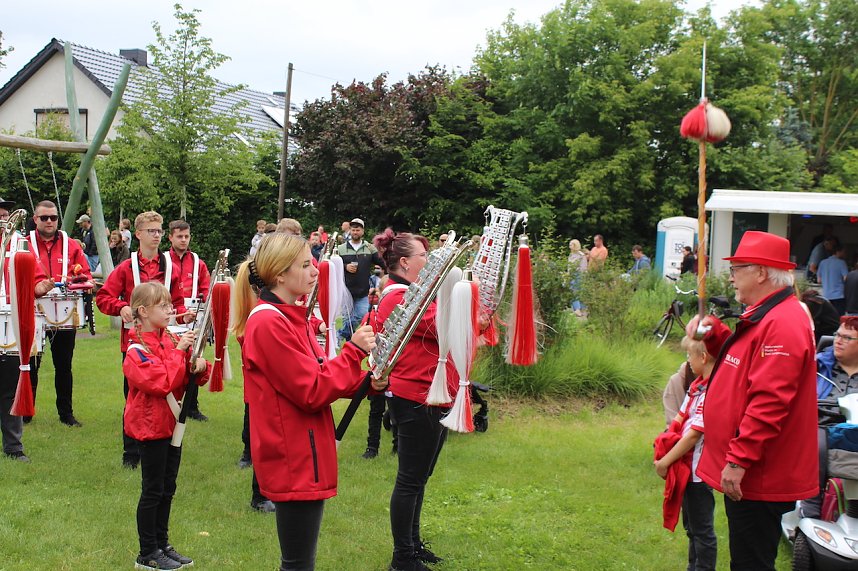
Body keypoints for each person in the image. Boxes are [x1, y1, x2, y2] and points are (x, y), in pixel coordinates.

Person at [233, 232, 381, 571]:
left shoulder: (286, 316)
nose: (315, 271)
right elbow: (312, 390)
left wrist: (367, 382)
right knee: (298, 565)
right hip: (294, 456)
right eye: (305, 265)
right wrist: (354, 351)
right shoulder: (269, 322)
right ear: (280, 274)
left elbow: (319, 372)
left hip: (304, 450)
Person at [688, 230, 818, 570]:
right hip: (752, 470)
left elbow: (770, 400)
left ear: (761, 272)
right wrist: (714, 334)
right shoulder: (766, 315)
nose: (731, 277)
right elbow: (740, 364)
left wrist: (739, 460)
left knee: (751, 563)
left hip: (759, 473)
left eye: (737, 268)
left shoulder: (784, 322)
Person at [374, 228, 488, 571]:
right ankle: (402, 558)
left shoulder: (417, 293)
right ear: (406, 262)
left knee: (420, 476)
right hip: (415, 396)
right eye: (427, 256)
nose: (433, 261)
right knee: (410, 479)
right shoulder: (398, 295)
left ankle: (413, 544)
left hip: (432, 394)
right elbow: (444, 327)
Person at [124, 282, 209, 571]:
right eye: (163, 306)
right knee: (153, 490)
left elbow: (186, 376)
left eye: (169, 304)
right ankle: (147, 552)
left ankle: (162, 544)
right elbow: (161, 383)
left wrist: (198, 365)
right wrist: (179, 354)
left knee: (167, 488)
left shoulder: (169, 340)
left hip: (172, 426)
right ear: (143, 311)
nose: (170, 310)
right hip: (151, 428)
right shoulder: (135, 350)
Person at [96, 211, 190, 469]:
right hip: (135, 344)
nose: (157, 235)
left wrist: (182, 317)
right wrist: (121, 307)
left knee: (168, 391)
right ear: (137, 234)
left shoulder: (170, 266)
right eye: (151, 231)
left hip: (165, 341)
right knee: (134, 398)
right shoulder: (126, 267)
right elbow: (103, 297)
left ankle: (167, 443)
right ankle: (131, 451)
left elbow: (177, 304)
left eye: (159, 231)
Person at [654, 333, 725, 571]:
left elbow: (694, 435)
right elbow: (679, 419)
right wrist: (666, 441)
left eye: (689, 356)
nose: (687, 361)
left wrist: (665, 461)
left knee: (702, 530)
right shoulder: (697, 386)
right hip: (686, 470)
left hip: (698, 473)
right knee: (692, 526)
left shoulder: (711, 392)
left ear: (703, 357)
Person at [28, 200, 92, 427]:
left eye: (53, 218)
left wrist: (79, 281)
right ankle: (27, 412)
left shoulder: (71, 244)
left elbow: (85, 274)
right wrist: (34, 288)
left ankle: (66, 413)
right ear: (35, 219)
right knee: (30, 364)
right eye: (44, 218)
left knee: (64, 365)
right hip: (33, 311)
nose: (49, 222)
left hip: (64, 312)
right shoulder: (24, 244)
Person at [0, 197, 53, 461]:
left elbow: (36, 278)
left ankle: (13, 447)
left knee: (10, 387)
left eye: (5, 215)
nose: (3, 219)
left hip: (9, 327)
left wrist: (40, 287)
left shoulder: (18, 247)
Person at [800, 316, 858, 519]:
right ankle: (811, 508)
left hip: (854, 429)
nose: (838, 341)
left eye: (847, 338)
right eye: (837, 335)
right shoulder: (818, 367)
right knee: (817, 443)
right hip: (824, 426)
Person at [167, 220, 211, 422]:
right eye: (179, 236)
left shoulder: (198, 262)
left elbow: (206, 289)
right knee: (171, 358)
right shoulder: (165, 260)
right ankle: (171, 401)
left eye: (186, 236)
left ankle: (192, 406)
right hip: (170, 316)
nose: (183, 240)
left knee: (194, 360)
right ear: (170, 237)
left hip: (193, 317)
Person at [336, 218, 385, 342]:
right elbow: (334, 266)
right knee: (347, 318)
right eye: (353, 230)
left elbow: (382, 263)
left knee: (361, 315)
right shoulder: (341, 248)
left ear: (362, 231)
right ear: (350, 231)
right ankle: (346, 342)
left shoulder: (370, 248)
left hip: (363, 290)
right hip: (346, 289)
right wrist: (346, 266)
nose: (355, 232)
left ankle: (340, 334)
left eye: (358, 230)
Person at [818, 244, 848, 315]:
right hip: (839, 295)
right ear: (838, 252)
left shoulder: (823, 262)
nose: (845, 254)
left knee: (828, 317)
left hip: (826, 295)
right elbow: (846, 279)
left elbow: (819, 280)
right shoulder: (841, 263)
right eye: (844, 252)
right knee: (839, 317)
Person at [567, 239, 588, 316]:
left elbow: (583, 267)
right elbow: (569, 266)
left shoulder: (581, 255)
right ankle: (577, 309)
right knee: (573, 291)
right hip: (572, 275)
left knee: (578, 291)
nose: (570, 247)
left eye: (571, 245)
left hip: (579, 274)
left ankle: (581, 309)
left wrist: (583, 275)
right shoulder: (571, 255)